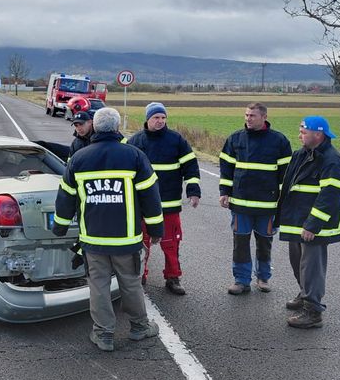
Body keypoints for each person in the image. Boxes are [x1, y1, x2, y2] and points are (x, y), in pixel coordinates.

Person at [53, 107, 164, 351]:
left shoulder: (79, 159)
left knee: (99, 286)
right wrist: (156, 229)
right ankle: (139, 327)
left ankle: (103, 334)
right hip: (126, 239)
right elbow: (150, 196)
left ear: (94, 126)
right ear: (116, 127)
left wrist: (59, 227)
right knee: (131, 282)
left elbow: (65, 198)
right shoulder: (134, 156)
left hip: (93, 240)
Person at [275, 116, 340, 329]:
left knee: (311, 267)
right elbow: (288, 187)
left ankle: (313, 311)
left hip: (314, 225)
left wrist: (313, 224)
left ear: (318, 134)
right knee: (298, 262)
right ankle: (305, 294)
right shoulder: (301, 154)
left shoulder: (332, 160)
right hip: (297, 220)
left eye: (304, 132)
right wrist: (278, 217)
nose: (299, 135)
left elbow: (331, 195)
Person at [128, 102, 201, 295]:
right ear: (147, 119)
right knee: (141, 243)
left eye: (163, 117)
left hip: (169, 206)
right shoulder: (135, 141)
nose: (160, 121)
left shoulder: (176, 140)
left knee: (171, 243)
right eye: (156, 117)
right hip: (142, 206)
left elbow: (191, 167)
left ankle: (172, 278)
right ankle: (139, 277)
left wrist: (193, 191)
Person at [219, 103, 292, 295]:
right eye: (246, 115)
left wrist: (283, 203)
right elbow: (226, 169)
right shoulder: (235, 139)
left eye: (252, 115)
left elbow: (286, 175)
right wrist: (224, 192)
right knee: (240, 243)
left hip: (268, 206)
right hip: (240, 204)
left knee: (264, 243)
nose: (248, 118)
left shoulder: (279, 141)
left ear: (264, 117)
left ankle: (263, 278)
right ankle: (241, 280)